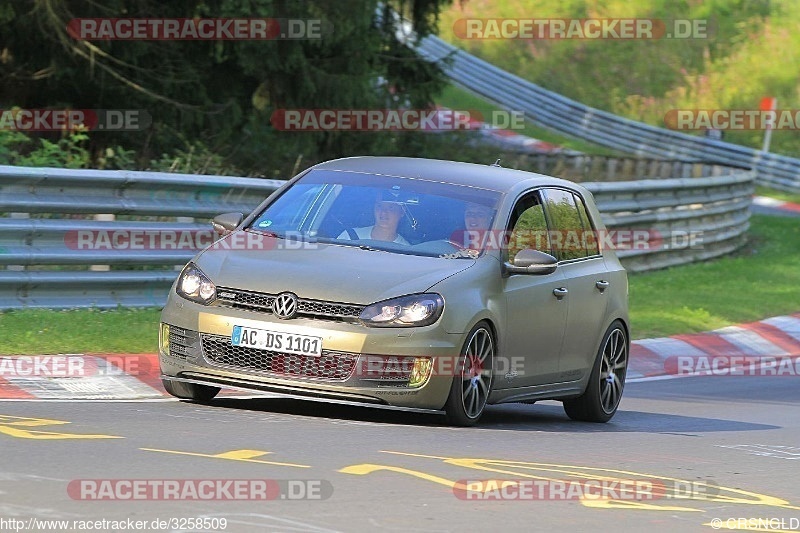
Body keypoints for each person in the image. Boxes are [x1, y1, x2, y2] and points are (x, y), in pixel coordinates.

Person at [338, 193, 410, 244]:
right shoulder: (349, 237)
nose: (383, 212)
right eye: (379, 206)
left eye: (391, 207)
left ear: (402, 212)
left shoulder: (405, 250)